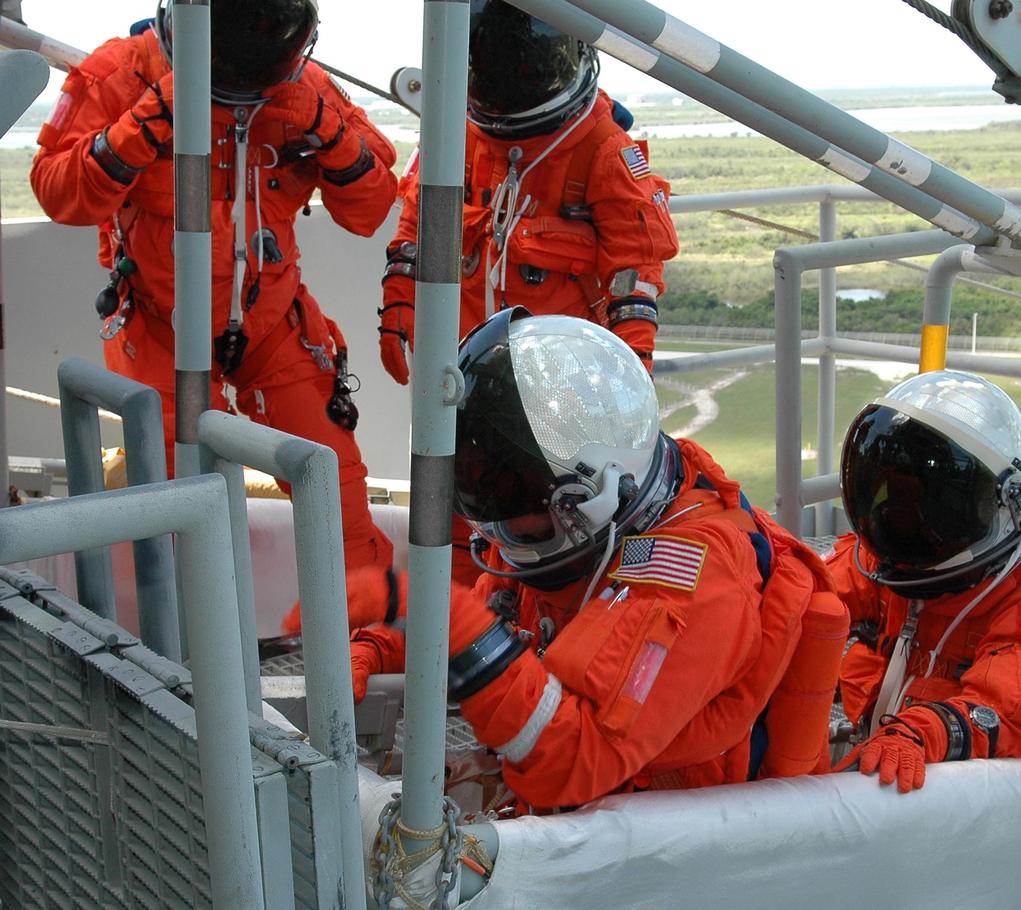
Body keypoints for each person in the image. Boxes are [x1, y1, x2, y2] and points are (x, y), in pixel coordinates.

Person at [349, 311, 848, 811]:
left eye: (510, 505)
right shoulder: (561, 534)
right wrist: (380, 644)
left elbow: (568, 759)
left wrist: (459, 629)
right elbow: (494, 613)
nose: (500, 533)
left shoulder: (693, 575)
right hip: (600, 829)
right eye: (485, 503)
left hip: (684, 858)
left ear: (589, 499)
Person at [30, 0, 395, 572]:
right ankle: (182, 650)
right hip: (159, 326)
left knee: (334, 490)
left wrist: (328, 130)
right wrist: (149, 119)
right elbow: (58, 191)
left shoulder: (309, 86)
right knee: (172, 517)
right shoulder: (121, 73)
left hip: (274, 322)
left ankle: (363, 642)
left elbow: (371, 208)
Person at [828, 370, 1021, 793]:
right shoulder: (894, 557)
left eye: (929, 506)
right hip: (895, 761)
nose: (908, 519)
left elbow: (1019, 708)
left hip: (989, 803)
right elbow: (815, 594)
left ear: (999, 504)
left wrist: (922, 732)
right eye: (896, 499)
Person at [377, 0, 679, 381]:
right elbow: (421, 223)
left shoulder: (599, 149)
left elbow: (634, 269)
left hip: (562, 378)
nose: (510, 84)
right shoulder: (458, 135)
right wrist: (401, 291)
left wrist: (632, 366)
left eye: (524, 66)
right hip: (462, 369)